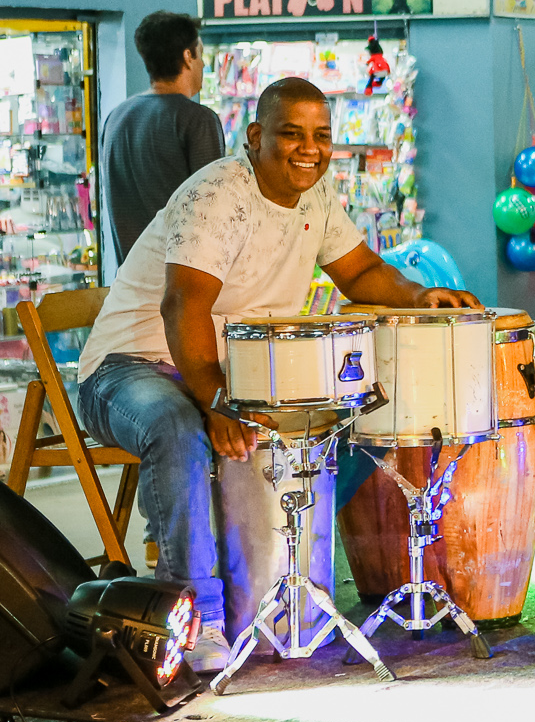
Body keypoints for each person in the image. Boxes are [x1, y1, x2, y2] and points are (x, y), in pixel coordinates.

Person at [74, 78, 481, 670]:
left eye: (321, 136)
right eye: (292, 134)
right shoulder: (217, 194)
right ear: (255, 136)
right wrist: (216, 401)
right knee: (178, 426)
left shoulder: (316, 198)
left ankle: (287, 592)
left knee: (343, 417)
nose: (309, 149)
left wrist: (420, 295)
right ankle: (195, 618)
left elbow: (360, 272)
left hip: (225, 373)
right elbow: (182, 306)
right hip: (127, 369)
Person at [102, 10, 225, 263]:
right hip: (179, 280)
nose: (203, 64)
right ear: (188, 56)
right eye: (201, 54)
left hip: (128, 279)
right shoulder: (197, 119)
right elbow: (213, 212)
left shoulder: (116, 117)